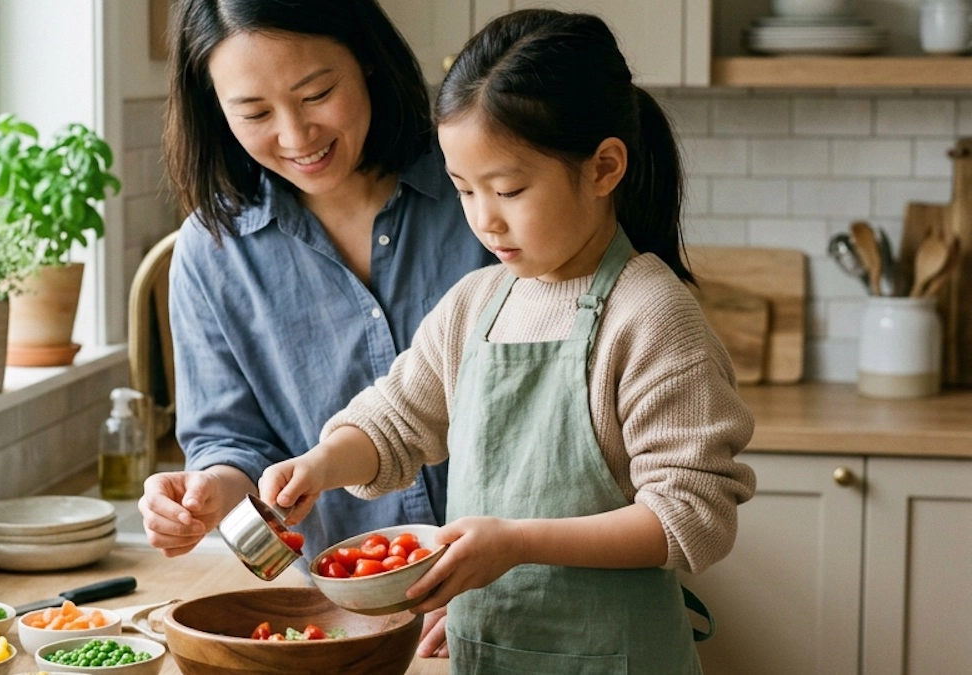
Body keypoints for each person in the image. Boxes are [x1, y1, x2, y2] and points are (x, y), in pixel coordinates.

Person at [258, 9, 758, 673]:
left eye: (509, 188)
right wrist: (321, 464)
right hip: (488, 655)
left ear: (605, 166)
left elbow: (691, 515)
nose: (485, 219)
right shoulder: (476, 303)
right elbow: (397, 420)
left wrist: (516, 542)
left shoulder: (651, 315)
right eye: (464, 189)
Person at [138, 0, 495, 658]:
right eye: (254, 113)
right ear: (214, 108)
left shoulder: (481, 189)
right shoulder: (212, 252)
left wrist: (497, 577)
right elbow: (231, 441)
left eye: (317, 93)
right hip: (344, 621)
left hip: (518, 599)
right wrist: (204, 492)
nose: (296, 135)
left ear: (366, 59)